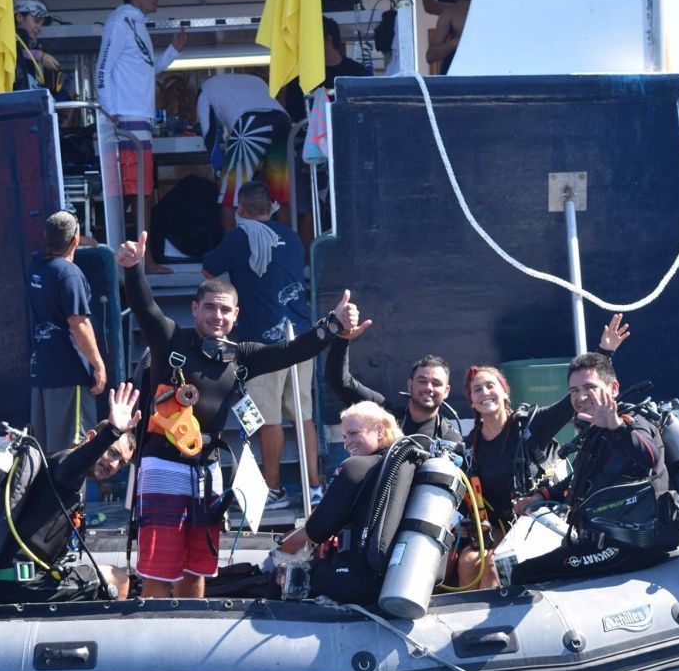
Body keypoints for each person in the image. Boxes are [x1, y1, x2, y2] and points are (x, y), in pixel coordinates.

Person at [116, 230, 362, 599]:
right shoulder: (170, 340)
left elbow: (292, 351)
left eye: (225, 310)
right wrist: (134, 269)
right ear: (195, 309)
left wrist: (333, 324)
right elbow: (145, 308)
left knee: (198, 566)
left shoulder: (241, 355)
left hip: (208, 473)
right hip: (163, 468)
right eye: (210, 308)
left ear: (236, 315)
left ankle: (194, 633)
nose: (217, 316)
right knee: (160, 567)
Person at [450, 315, 630, 589]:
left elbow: (572, 402)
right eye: (477, 389)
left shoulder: (533, 425)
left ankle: (493, 624)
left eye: (491, 386)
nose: (485, 392)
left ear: (505, 393)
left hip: (540, 516)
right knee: (467, 560)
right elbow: (469, 501)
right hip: (498, 525)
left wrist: (604, 353)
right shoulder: (470, 446)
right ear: (471, 400)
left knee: (492, 564)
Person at [507, 351, 679, 585]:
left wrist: (617, 427)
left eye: (590, 387)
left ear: (614, 389)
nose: (581, 397)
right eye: (574, 391)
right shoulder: (596, 432)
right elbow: (579, 478)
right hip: (600, 540)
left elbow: (649, 456)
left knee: (523, 574)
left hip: (629, 546)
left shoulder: (632, 422)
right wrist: (542, 495)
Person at [201, 181, 321, 510]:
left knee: (268, 418)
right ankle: (314, 487)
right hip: (300, 335)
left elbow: (208, 269)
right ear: (272, 207)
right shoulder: (293, 237)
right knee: (303, 414)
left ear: (240, 209)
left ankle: (273, 490)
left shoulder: (242, 236)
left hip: (261, 342)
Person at [0, 383, 141, 605]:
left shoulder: (63, 474)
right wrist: (111, 432)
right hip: (21, 585)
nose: (114, 465)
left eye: (122, 463)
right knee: (118, 579)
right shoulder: (64, 466)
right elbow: (75, 464)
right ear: (90, 437)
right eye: (112, 452)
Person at [276, 401, 402, 605]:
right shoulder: (401, 465)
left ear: (379, 430)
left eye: (353, 433)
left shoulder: (355, 468)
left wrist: (280, 552)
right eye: (344, 437)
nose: (347, 443)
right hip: (389, 579)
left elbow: (316, 530)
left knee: (280, 575)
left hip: (352, 580)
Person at [96, 0, 188, 274]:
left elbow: (147, 70)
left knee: (141, 194)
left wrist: (172, 51)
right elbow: (102, 69)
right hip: (127, 122)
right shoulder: (120, 22)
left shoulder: (135, 23)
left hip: (138, 122)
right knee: (135, 196)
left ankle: (138, 261)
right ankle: (138, 262)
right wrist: (111, 113)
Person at [281, 17, 368, 248]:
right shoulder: (300, 78)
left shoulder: (356, 73)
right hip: (312, 157)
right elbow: (293, 117)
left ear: (327, 39)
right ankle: (310, 264)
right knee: (311, 208)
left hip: (350, 154)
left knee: (351, 207)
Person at [28, 210, 107, 452]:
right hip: (70, 374)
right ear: (74, 239)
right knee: (75, 450)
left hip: (44, 372)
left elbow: (56, 247)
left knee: (47, 452)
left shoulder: (38, 266)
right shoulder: (69, 274)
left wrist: (75, 240)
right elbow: (78, 323)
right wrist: (98, 365)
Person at [326, 328, 464, 443]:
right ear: (410, 385)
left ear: (446, 391)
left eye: (436, 383)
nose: (428, 387)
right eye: (422, 381)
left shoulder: (449, 439)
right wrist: (343, 338)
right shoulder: (384, 415)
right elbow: (340, 382)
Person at [196, 74, 292, 233]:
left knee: (230, 196)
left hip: (251, 123)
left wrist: (219, 169)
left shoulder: (204, 90)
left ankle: (232, 251)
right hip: (282, 120)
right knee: (280, 195)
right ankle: (286, 248)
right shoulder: (255, 79)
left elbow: (210, 135)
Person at [12, 0, 64, 93]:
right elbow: (12, 53)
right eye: (36, 21)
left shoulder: (32, 45)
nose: (39, 27)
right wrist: (38, 56)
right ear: (19, 17)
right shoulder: (8, 38)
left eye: (42, 24)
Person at [424, 0, 472, 75]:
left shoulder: (495, 10)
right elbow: (430, 56)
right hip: (456, 76)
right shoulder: (451, 12)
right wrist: (455, 43)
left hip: (490, 74)